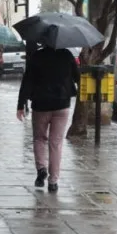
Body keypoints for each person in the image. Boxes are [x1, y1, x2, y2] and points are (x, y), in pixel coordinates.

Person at [17, 44, 80, 192]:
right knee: (56, 143)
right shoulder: (67, 55)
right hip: (62, 104)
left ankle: (41, 169)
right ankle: (53, 181)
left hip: (41, 104)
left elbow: (27, 81)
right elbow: (77, 77)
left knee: (39, 138)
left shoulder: (37, 57)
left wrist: (21, 104)